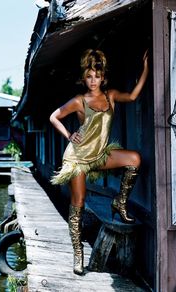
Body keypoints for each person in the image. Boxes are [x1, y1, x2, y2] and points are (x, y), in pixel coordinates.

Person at [49, 49, 149, 275]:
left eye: (97, 75)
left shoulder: (110, 96)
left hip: (100, 154)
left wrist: (146, 69)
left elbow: (132, 97)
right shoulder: (78, 101)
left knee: (134, 159)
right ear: (84, 78)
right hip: (79, 159)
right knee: (79, 202)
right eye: (89, 76)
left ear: (103, 77)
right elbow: (54, 116)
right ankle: (77, 255)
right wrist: (69, 135)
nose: (93, 80)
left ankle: (119, 203)